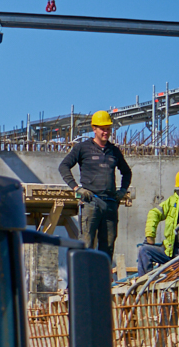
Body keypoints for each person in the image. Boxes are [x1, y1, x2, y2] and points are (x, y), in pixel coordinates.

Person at [58, 110, 133, 257]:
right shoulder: (83, 148)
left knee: (108, 245)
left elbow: (127, 172)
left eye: (108, 129)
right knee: (86, 243)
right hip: (91, 202)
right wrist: (77, 188)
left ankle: (104, 278)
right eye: (102, 129)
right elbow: (63, 166)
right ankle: (84, 278)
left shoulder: (114, 151)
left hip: (110, 204)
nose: (106, 132)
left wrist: (123, 190)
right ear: (94, 129)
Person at [143, 174, 179, 274]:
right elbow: (154, 213)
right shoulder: (172, 202)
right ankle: (145, 284)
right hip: (170, 251)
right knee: (144, 250)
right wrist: (150, 235)